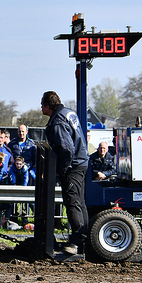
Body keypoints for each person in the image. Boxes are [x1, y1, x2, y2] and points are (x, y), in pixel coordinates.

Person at [41, 91, 89, 255]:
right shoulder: (68, 112)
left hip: (73, 166)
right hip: (81, 163)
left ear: (48, 106)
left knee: (72, 202)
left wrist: (63, 169)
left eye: (42, 105)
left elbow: (67, 149)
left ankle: (76, 243)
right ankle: (84, 240)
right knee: (80, 202)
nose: (41, 107)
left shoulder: (58, 121)